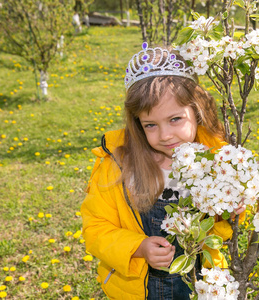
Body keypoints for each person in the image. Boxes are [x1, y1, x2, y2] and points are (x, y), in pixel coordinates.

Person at [81, 43, 240, 300]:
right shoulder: (119, 167)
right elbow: (96, 227)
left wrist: (232, 212)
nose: (165, 136)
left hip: (200, 286)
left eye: (175, 119)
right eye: (151, 125)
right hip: (138, 290)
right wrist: (138, 247)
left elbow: (225, 226)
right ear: (137, 124)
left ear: (196, 111)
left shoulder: (216, 161)